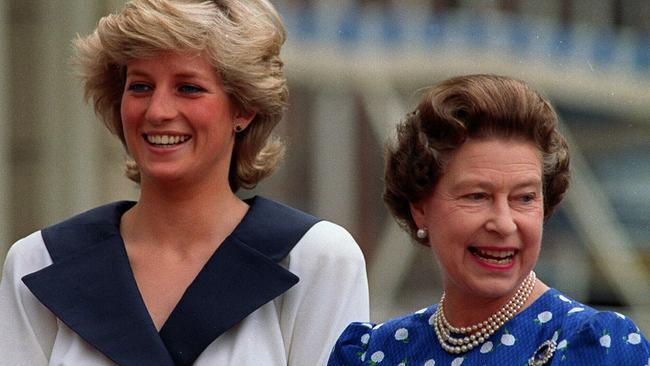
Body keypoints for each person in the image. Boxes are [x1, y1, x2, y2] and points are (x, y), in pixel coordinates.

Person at [0, 1, 369, 365]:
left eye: (189, 88)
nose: (158, 111)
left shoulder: (315, 259)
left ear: (243, 108)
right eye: (141, 87)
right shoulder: (38, 262)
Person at [328, 74, 649, 365]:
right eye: (477, 196)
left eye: (524, 198)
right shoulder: (374, 354)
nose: (504, 223)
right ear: (420, 207)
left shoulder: (594, 346)